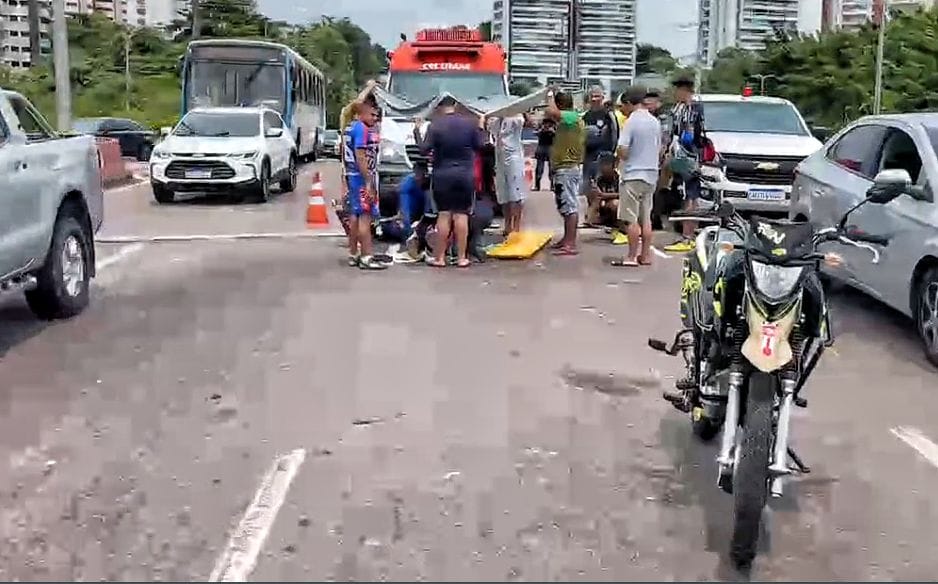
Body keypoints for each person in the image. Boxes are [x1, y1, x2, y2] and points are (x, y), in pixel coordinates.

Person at [420, 96, 481, 268]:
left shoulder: (435, 125)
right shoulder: (470, 124)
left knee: (444, 214)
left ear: (439, 107)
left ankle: (440, 258)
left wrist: (417, 131)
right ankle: (461, 257)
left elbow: (424, 150)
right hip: (464, 175)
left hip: (442, 174)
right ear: (455, 105)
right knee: (461, 214)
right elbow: (480, 147)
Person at [613, 85, 661, 267]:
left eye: (622, 106)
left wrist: (620, 157)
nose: (622, 110)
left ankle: (631, 256)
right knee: (646, 217)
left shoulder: (631, 121)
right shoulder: (654, 121)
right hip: (651, 174)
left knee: (631, 218)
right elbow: (659, 148)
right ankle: (645, 255)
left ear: (628, 103)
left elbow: (623, 149)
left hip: (633, 174)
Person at [663, 76, 706, 254]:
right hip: (687, 156)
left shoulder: (690, 109)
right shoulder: (684, 108)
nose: (675, 93)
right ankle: (688, 234)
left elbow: (687, 135)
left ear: (685, 90)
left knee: (690, 196)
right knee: (689, 196)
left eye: (678, 90)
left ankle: (688, 236)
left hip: (688, 156)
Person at [343, 101, 386, 270]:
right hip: (361, 177)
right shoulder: (361, 128)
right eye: (372, 115)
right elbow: (360, 155)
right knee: (365, 217)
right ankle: (367, 256)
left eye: (377, 116)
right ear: (361, 112)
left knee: (355, 216)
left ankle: (353, 253)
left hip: (352, 175)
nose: (374, 119)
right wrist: (368, 181)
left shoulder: (349, 127)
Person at [545, 88, 586, 256]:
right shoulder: (569, 120)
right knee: (564, 205)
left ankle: (570, 243)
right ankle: (566, 239)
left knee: (569, 206)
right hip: (564, 168)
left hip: (567, 168)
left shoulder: (571, 116)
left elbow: (550, 111)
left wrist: (549, 96)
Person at [489, 112, 528, 236]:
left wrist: (511, 112)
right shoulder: (495, 119)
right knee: (503, 194)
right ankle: (507, 225)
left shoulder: (516, 117)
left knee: (515, 194)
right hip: (500, 158)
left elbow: (522, 121)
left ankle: (516, 227)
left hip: (514, 158)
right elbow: (490, 128)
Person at [580, 85, 619, 196]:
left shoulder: (608, 115)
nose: (594, 99)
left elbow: (615, 134)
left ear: (602, 97)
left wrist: (613, 153)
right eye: (592, 96)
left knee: (601, 187)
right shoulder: (586, 116)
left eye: (597, 96)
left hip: (604, 156)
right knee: (587, 187)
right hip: (589, 157)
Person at [584, 152, 620, 229]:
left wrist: (605, 195)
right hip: (603, 203)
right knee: (592, 194)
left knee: (615, 204)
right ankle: (599, 218)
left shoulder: (619, 178)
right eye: (601, 165)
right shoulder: (600, 179)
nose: (602, 167)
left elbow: (623, 194)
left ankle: (618, 223)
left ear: (613, 165)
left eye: (605, 165)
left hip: (617, 204)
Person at [534, 118, 555, 191]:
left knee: (551, 168)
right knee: (540, 167)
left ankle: (552, 185)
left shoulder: (553, 124)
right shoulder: (542, 124)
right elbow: (535, 132)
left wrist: (552, 131)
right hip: (543, 147)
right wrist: (541, 131)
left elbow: (559, 135)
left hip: (549, 147)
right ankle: (538, 185)